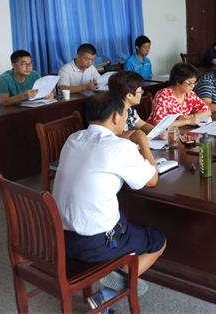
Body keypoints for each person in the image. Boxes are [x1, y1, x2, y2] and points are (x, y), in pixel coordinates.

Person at [52, 93, 166, 309]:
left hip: (59, 239)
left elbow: (102, 145)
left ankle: (113, 274)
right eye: (125, 114)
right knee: (158, 241)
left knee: (120, 215)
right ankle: (110, 289)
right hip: (94, 245)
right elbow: (152, 180)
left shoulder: (73, 139)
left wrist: (126, 137)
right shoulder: (120, 148)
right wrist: (143, 143)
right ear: (115, 116)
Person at [147, 63, 210, 128]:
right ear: (178, 81)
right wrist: (187, 121)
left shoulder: (190, 95)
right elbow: (158, 123)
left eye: (194, 83)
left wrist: (192, 116)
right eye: (190, 83)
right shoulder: (163, 95)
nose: (193, 86)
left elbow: (207, 111)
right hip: (157, 132)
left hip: (180, 130)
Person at [108, 71, 161, 137]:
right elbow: (115, 137)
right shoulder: (110, 114)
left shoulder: (129, 110)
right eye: (140, 91)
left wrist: (158, 132)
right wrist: (134, 135)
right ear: (129, 95)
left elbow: (142, 125)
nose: (142, 93)